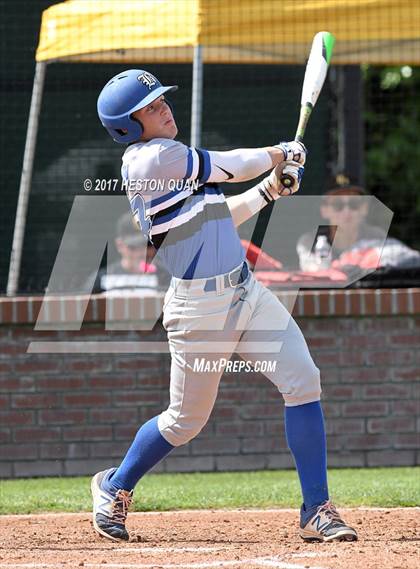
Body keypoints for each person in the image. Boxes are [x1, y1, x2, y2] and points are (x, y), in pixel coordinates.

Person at [91, 69, 357, 544]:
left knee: (303, 381)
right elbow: (233, 164)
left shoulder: (171, 160)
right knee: (186, 421)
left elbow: (217, 217)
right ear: (128, 126)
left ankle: (316, 508)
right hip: (199, 308)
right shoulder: (152, 159)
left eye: (161, 101)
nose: (164, 109)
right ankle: (114, 486)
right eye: (151, 108)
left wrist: (271, 189)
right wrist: (281, 153)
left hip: (246, 291)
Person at [297, 183, 385, 272]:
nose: (346, 211)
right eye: (337, 204)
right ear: (324, 210)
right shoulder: (310, 241)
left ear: (364, 208)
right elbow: (312, 270)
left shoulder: (377, 237)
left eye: (354, 204)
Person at [91, 211, 170, 295]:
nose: (142, 253)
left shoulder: (166, 278)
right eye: (134, 247)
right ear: (120, 245)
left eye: (147, 246)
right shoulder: (101, 279)